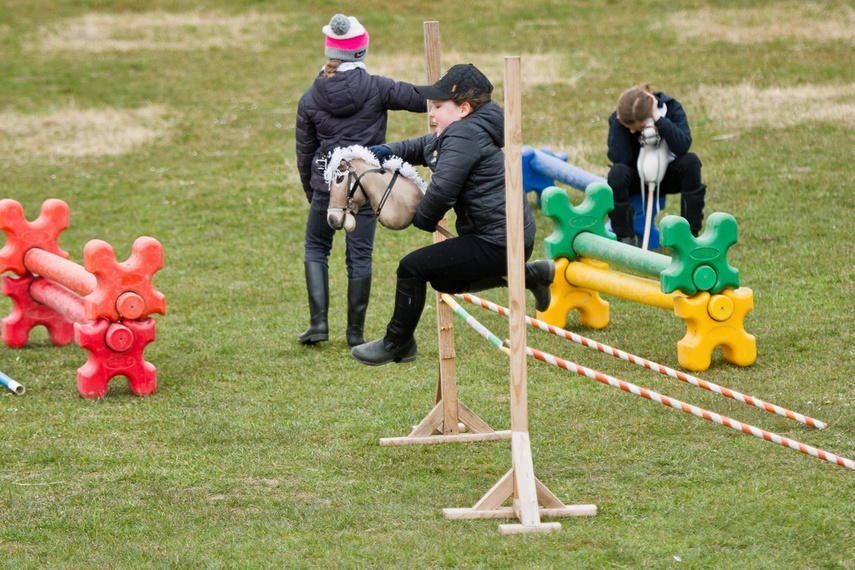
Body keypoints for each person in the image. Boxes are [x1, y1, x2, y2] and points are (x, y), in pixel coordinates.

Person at [351, 64, 554, 366]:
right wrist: (385, 150)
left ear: (464, 109)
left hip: (498, 241)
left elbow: (443, 191)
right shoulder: (469, 129)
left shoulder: (463, 134)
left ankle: (397, 343)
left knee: (411, 268)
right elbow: (425, 146)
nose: (431, 113)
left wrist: (421, 218)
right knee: (443, 280)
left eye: (438, 106)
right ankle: (530, 274)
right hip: (506, 237)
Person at [295, 14, 426, 347]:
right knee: (360, 256)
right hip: (366, 187)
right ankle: (355, 334)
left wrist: (314, 191)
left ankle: (318, 325)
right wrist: (445, 91)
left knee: (316, 248)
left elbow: (304, 150)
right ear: (360, 52)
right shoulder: (378, 87)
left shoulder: (310, 97)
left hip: (328, 186)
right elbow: (417, 99)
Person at [606, 84, 706, 245]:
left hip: (667, 175)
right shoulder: (619, 119)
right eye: (628, 128)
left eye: (636, 128)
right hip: (635, 178)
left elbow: (683, 146)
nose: (632, 132)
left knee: (691, 162)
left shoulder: (671, 107)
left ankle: (690, 235)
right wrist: (619, 125)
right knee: (617, 173)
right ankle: (625, 238)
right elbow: (620, 159)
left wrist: (659, 119)